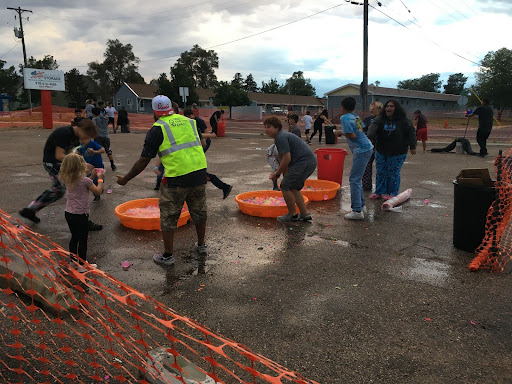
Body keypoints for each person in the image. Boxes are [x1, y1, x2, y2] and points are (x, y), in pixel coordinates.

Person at [117, 95, 208, 266]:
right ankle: (202, 245)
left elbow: (143, 161)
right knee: (199, 211)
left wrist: (125, 179)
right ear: (172, 108)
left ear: (155, 111)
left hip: (176, 178)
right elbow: (202, 145)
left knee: (169, 216)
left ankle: (168, 255)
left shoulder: (157, 128)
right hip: (199, 174)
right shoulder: (190, 122)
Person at [19, 119, 102, 231]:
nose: (86, 140)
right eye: (86, 136)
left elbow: (72, 153)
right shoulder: (64, 133)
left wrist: (82, 162)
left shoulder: (76, 138)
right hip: (52, 162)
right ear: (82, 129)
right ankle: (82, 220)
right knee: (62, 189)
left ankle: (30, 210)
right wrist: (81, 163)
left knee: (63, 188)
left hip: (61, 163)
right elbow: (59, 155)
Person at [264, 116, 316, 223]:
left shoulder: (280, 138)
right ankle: (305, 214)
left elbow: (287, 158)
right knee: (293, 187)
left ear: (277, 127)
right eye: (265, 127)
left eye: (269, 127)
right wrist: (283, 174)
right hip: (307, 162)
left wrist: (277, 174)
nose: (266, 129)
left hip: (303, 163)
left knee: (285, 186)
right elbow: (284, 159)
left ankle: (293, 215)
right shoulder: (282, 136)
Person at [59, 153, 104, 272]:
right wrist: (100, 178)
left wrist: (92, 176)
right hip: (81, 214)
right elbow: (98, 191)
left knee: (74, 238)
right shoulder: (85, 181)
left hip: (69, 213)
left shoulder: (68, 179)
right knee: (83, 239)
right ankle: (82, 265)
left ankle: (73, 263)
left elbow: (81, 184)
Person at [367, 99, 416, 200]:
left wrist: (413, 146)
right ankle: (379, 192)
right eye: (387, 106)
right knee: (380, 172)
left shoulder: (404, 120)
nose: (388, 108)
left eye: (391, 106)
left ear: (396, 108)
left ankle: (393, 193)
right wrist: (370, 137)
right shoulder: (380, 119)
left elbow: (411, 133)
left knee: (393, 173)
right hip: (381, 150)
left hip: (398, 151)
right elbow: (372, 129)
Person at [335, 97, 374, 220]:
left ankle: (357, 210)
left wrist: (339, 133)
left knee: (354, 179)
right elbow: (360, 130)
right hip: (368, 147)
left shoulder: (344, 117)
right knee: (357, 178)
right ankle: (361, 206)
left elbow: (352, 134)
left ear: (342, 107)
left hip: (361, 149)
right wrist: (343, 131)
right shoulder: (356, 116)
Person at [184, 107, 232, 199]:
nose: (187, 118)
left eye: (188, 116)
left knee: (197, 173)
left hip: (202, 144)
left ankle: (223, 186)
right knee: (195, 172)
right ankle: (224, 186)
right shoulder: (186, 123)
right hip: (193, 147)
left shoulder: (198, 121)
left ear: (192, 115)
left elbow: (205, 137)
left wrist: (199, 149)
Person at [361, 101, 383, 191]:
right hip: (368, 145)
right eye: (370, 110)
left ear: (379, 110)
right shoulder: (367, 119)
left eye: (373, 110)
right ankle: (366, 185)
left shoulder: (384, 120)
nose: (371, 112)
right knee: (366, 166)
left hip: (381, 146)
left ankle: (380, 188)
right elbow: (361, 129)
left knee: (381, 167)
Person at [77, 135, 105, 202]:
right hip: (89, 167)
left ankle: (100, 188)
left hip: (98, 165)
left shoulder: (92, 143)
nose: (81, 141)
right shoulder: (81, 145)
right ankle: (96, 195)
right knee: (90, 181)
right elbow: (79, 153)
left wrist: (94, 152)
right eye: (80, 140)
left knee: (98, 179)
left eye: (83, 139)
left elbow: (102, 150)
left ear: (89, 138)